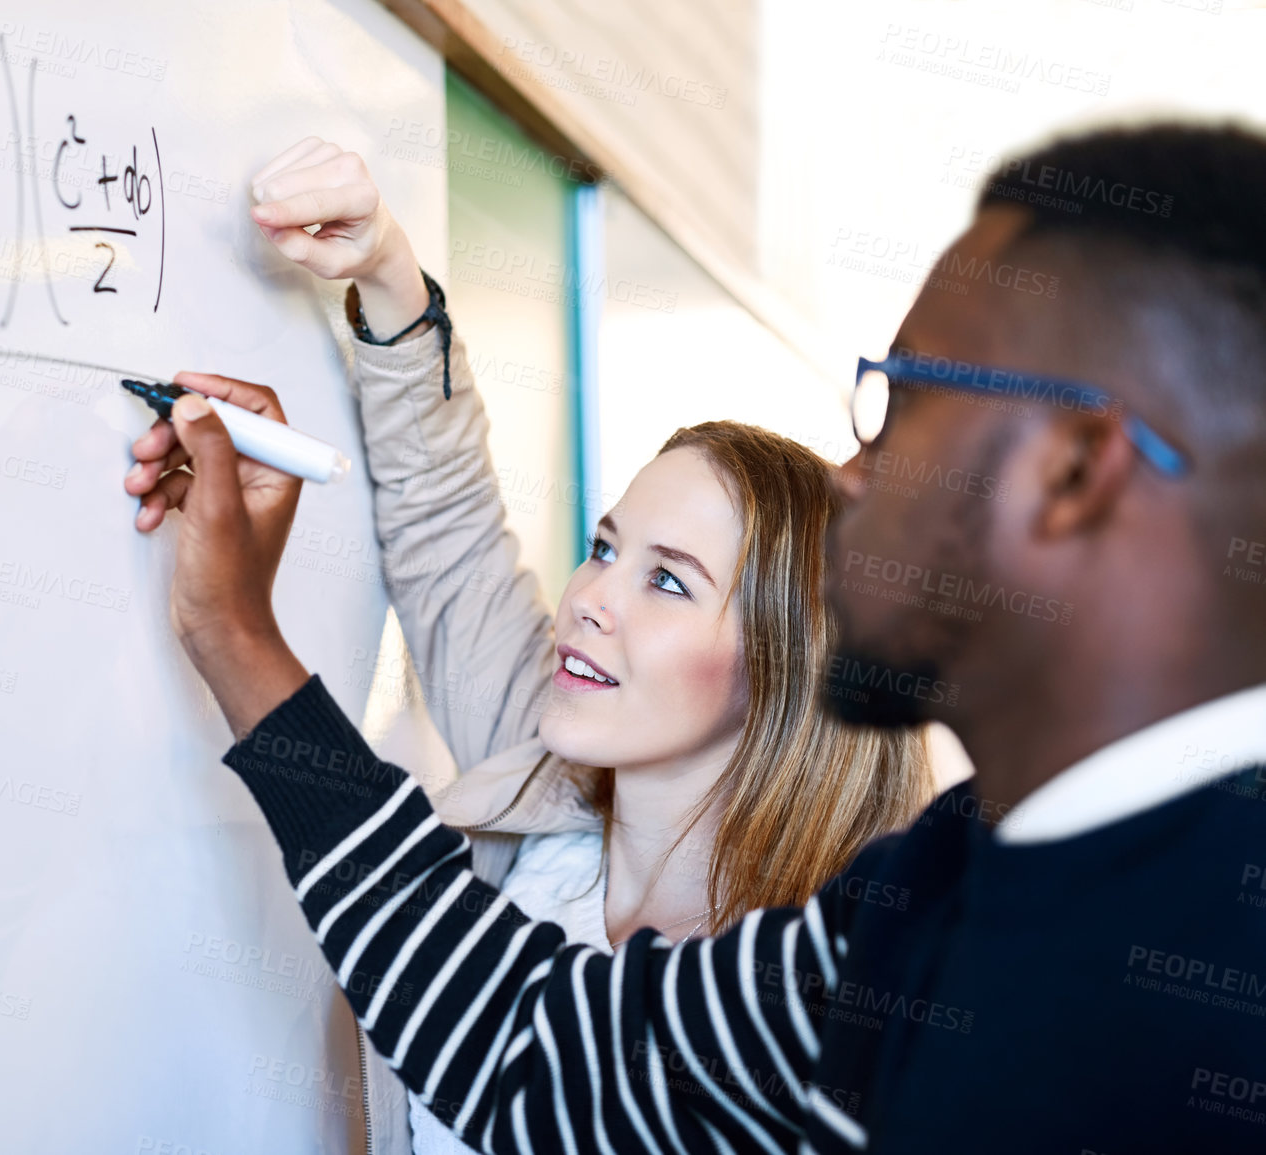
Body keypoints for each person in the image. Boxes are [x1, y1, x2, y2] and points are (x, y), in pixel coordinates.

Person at [131, 121, 1266, 1153]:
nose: (851, 476)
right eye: (607, 547)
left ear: (1071, 474)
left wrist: (236, 632)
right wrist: (237, 628)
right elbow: (538, 1050)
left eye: (904, 405)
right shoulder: (926, 895)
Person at [128, 140, 929, 1152]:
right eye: (605, 546)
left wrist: (233, 629)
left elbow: (515, 1046)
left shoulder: (802, 1004)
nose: (590, 595)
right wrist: (387, 280)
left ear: (786, 673)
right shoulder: (549, 789)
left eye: (669, 580)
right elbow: (450, 537)